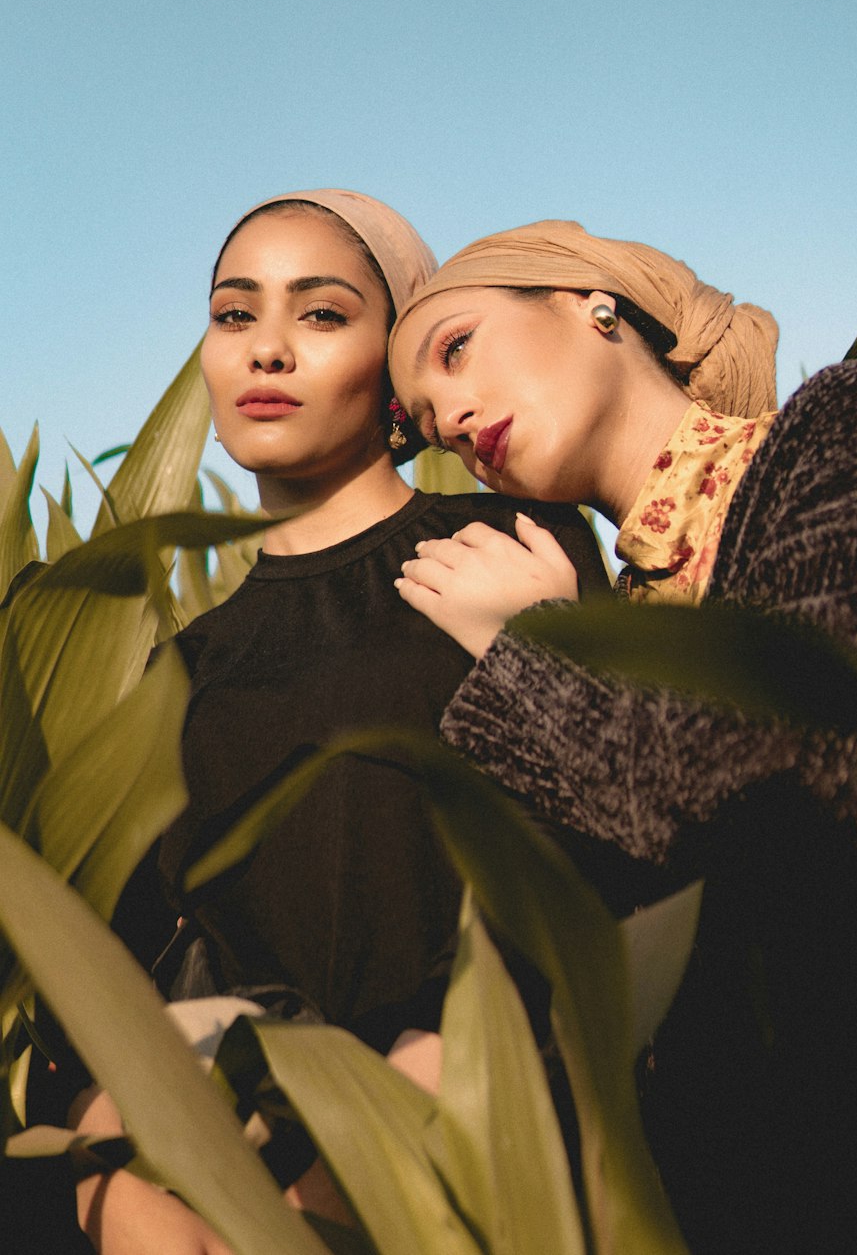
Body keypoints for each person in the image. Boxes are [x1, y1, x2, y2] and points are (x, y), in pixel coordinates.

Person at [387, 219, 857, 1254]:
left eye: (455, 349)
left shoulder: (852, 425)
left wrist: (533, 653)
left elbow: (826, 762)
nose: (449, 415)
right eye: (429, 425)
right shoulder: (603, 604)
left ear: (593, 304)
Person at [64, 194, 610, 1251]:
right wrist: (109, 1176)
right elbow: (118, 991)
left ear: (394, 367)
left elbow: (607, 842)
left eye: (322, 315)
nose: (267, 348)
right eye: (234, 315)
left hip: (473, 1131)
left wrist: (365, 1150)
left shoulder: (505, 545)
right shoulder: (187, 667)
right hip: (232, 1150)